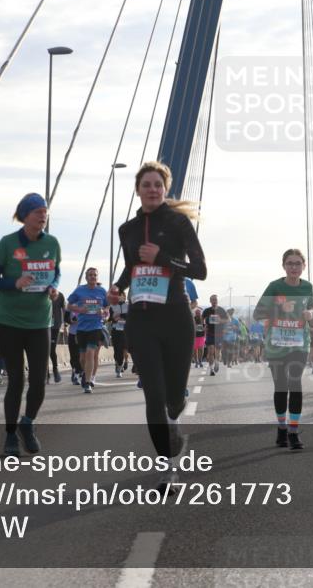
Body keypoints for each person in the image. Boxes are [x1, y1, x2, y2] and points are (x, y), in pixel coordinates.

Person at [109, 161, 207, 492]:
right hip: (141, 320)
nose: (152, 189)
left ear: (165, 189)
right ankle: (167, 469)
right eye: (146, 184)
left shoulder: (178, 223)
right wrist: (118, 287)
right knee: (153, 394)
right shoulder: (126, 230)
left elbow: (200, 270)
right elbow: (131, 267)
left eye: (158, 185)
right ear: (137, 190)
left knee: (174, 398)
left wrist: (162, 257)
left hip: (176, 318)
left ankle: (175, 417)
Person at [0, 193, 62, 456]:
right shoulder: (7, 244)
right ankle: (9, 437)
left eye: (45, 212)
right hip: (9, 321)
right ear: (25, 215)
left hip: (40, 321)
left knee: (39, 380)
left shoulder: (52, 243)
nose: (43, 216)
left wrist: (53, 287)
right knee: (16, 380)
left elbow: (57, 271)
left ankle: (27, 423)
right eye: (38, 212)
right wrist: (13, 283)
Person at [253, 248, 313, 450]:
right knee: (281, 386)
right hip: (276, 344)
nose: (294, 267)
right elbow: (257, 314)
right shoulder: (274, 286)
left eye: (298, 263)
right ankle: (281, 427)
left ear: (304, 266)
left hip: (299, 342)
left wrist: (311, 314)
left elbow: (312, 309)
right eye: (290, 263)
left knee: (295, 384)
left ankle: (293, 432)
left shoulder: (307, 287)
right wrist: (279, 308)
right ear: (284, 266)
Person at [68, 267, 109, 393]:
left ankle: (88, 382)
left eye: (95, 275)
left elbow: (107, 306)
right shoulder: (80, 290)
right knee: (82, 358)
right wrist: (80, 310)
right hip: (81, 328)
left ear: (97, 277)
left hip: (96, 326)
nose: (92, 277)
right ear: (86, 277)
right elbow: (68, 305)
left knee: (91, 353)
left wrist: (104, 311)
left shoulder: (102, 291)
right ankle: (86, 373)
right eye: (90, 275)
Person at [202, 295, 228, 375]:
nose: (214, 301)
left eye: (215, 300)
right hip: (210, 333)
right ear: (210, 301)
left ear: (217, 300)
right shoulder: (207, 310)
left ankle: (217, 362)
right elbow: (201, 319)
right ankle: (211, 369)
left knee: (217, 352)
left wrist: (220, 320)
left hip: (219, 334)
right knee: (210, 351)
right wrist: (204, 326)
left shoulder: (221, 310)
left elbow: (228, 319)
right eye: (212, 300)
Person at [109, 291, 130, 377]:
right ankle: (117, 363)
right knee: (117, 350)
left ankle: (120, 367)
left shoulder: (128, 306)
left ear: (124, 297)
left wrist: (123, 316)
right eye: (118, 296)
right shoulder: (112, 306)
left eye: (121, 296)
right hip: (115, 330)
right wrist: (113, 318)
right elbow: (109, 318)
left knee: (124, 349)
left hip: (125, 331)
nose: (120, 297)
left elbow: (131, 317)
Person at [47, 293, 66, 384]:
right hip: (42, 325)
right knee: (43, 350)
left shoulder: (59, 295)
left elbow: (65, 309)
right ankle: (45, 373)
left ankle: (55, 369)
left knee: (51, 349)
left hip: (55, 326)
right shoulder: (39, 291)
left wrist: (66, 321)